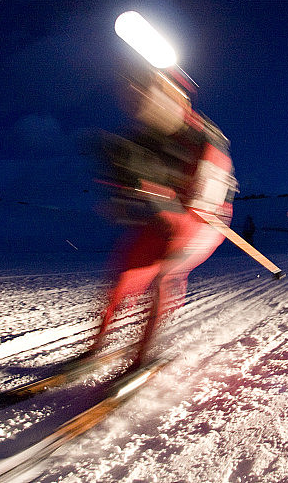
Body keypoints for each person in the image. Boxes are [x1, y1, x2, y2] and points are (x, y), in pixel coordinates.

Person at [91, 62, 237, 368]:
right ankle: (94, 348)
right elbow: (127, 175)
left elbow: (208, 194)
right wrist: (121, 191)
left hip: (203, 222)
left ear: (177, 99)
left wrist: (175, 197)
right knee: (125, 273)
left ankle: (142, 358)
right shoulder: (143, 140)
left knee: (162, 275)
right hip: (166, 218)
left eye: (147, 92)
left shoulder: (205, 137)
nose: (137, 100)